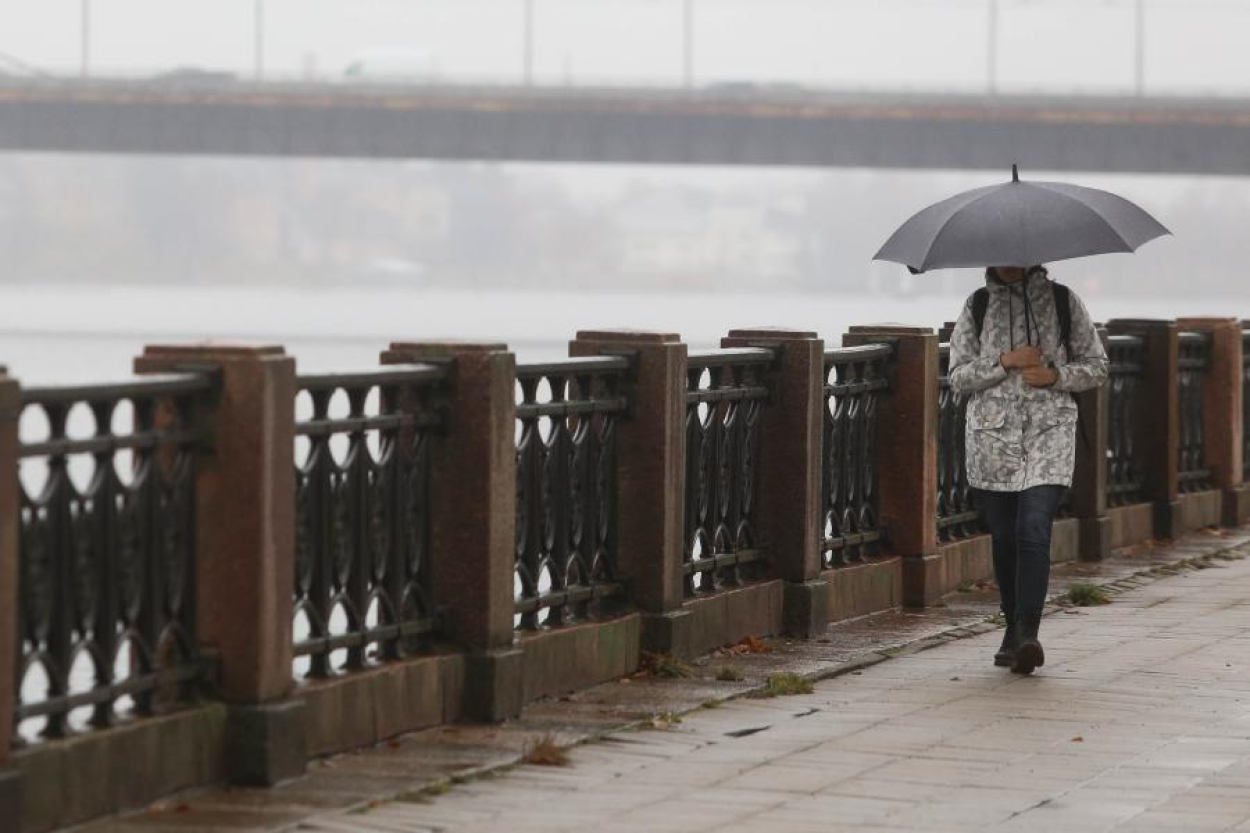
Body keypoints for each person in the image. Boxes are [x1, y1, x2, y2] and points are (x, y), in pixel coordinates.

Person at [947, 265, 1108, 674]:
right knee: (1003, 537)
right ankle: (1011, 627)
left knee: (1033, 528)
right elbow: (958, 377)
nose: (1009, 261)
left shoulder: (1063, 301)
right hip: (992, 440)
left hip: (1049, 435)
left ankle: (1027, 635)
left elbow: (1097, 365)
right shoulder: (977, 305)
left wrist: (1055, 375)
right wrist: (1005, 361)